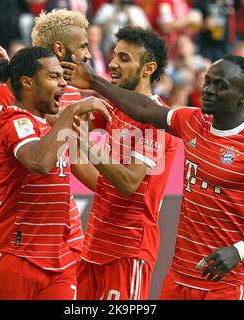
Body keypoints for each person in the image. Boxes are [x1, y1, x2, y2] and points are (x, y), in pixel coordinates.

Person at [63, 54, 244, 300]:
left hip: (228, 284)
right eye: (208, 81)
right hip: (178, 280)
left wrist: (239, 250)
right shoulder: (193, 121)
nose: (208, 90)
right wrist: (94, 80)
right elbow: (144, 109)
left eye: (220, 86)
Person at [0, 46, 111, 299]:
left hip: (60, 262)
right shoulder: (13, 120)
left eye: (62, 76)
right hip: (15, 255)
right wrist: (71, 111)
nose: (62, 84)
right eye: (53, 77)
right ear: (27, 82)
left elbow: (81, 163)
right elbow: (39, 161)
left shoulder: (50, 122)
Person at [63, 26, 178, 300]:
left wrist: (86, 145)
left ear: (148, 68)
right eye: (114, 56)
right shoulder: (114, 107)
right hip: (93, 246)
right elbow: (80, 155)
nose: (113, 64)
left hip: (129, 251)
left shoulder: (157, 120)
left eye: (124, 58)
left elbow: (128, 182)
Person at [0, 9, 92, 259]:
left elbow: (77, 160)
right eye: (83, 46)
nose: (88, 54)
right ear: (60, 48)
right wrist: (9, 206)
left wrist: (118, 193)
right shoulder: (3, 96)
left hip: (63, 229)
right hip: (17, 231)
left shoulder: (73, 95)